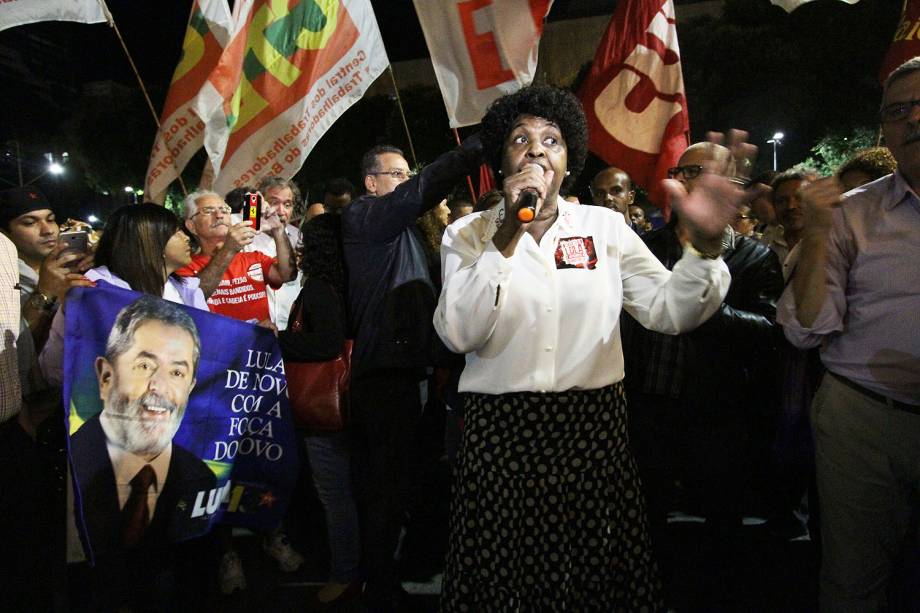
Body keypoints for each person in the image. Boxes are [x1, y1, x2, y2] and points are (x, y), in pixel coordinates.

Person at [434, 84, 745, 610]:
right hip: (500, 432)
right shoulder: (467, 233)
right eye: (520, 138)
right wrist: (510, 229)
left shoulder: (605, 228)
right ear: (500, 157)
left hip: (591, 429)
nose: (536, 150)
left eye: (552, 140)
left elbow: (669, 311)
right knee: (507, 572)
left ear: (569, 158)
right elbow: (459, 332)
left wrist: (706, 250)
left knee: (592, 571)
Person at [777, 56, 920, 612]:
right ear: (883, 128)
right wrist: (815, 233)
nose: (913, 120)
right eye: (898, 111)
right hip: (864, 420)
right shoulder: (848, 215)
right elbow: (806, 330)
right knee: (854, 581)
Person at [343, 136, 482, 610]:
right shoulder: (364, 216)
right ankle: (376, 584)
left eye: (407, 172)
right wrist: (474, 149)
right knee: (384, 486)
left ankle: (405, 566)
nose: (406, 182)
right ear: (371, 183)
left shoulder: (404, 234)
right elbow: (425, 188)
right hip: (384, 376)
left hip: (410, 371)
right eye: (397, 174)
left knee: (410, 480)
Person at [70, 295, 216, 559]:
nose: (158, 387)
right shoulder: (70, 463)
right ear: (106, 377)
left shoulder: (201, 479)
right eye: (145, 365)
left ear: (190, 388)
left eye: (177, 373)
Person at [277, 213, 362, 609]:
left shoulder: (321, 290)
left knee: (335, 495)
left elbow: (326, 344)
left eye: (304, 241)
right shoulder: (352, 279)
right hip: (354, 402)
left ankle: (345, 574)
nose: (298, 246)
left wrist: (276, 338)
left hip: (326, 409)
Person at [41, 203, 207, 386]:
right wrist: (69, 314)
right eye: (176, 232)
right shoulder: (97, 290)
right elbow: (56, 370)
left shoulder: (189, 291)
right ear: (150, 240)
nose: (186, 238)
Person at [177, 189, 295, 325]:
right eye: (208, 211)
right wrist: (229, 248)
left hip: (257, 344)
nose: (219, 215)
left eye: (224, 209)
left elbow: (287, 275)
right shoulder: (183, 266)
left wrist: (278, 230)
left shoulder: (254, 258)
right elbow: (195, 296)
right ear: (191, 226)